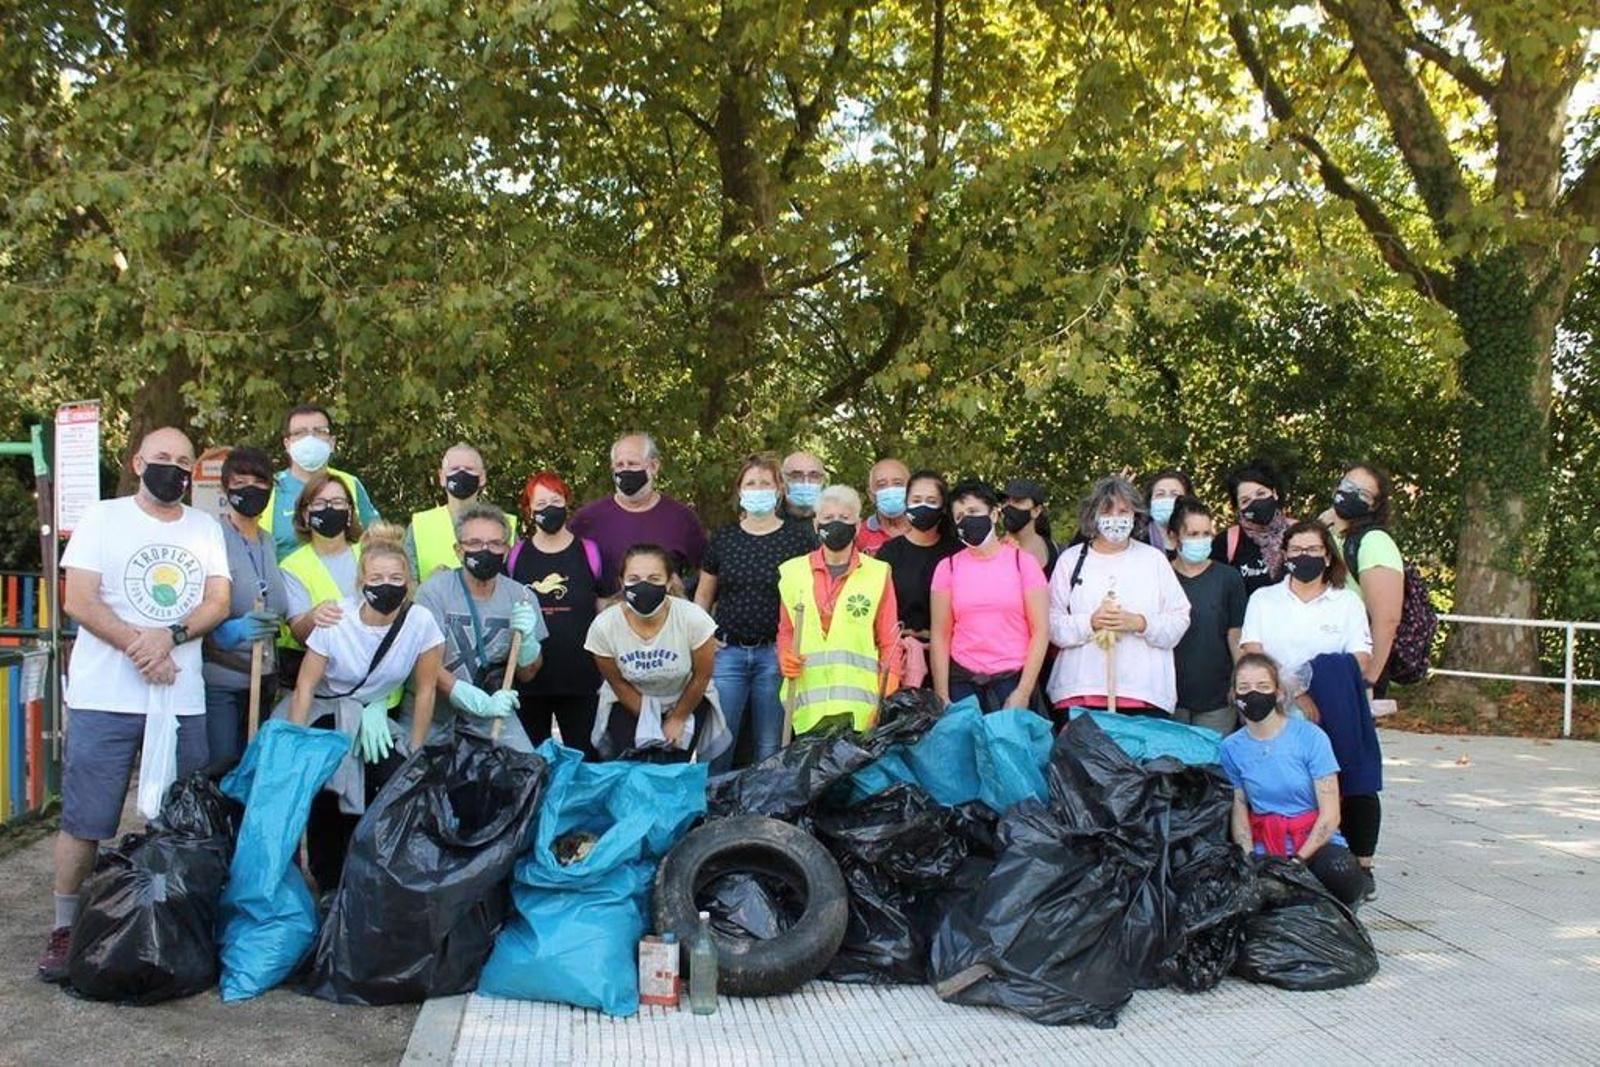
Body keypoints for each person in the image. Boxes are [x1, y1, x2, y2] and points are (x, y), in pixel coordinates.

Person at [41, 428, 231, 982]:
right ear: (137, 462)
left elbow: (216, 601)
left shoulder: (205, 528)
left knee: (183, 815)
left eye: (184, 461)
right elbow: (78, 597)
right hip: (107, 694)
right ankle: (64, 928)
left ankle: (178, 922)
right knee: (86, 816)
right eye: (162, 459)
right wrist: (140, 644)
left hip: (180, 696)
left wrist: (168, 637)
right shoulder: (105, 517)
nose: (173, 468)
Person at [285, 523, 444, 890]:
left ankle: (376, 875)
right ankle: (327, 879)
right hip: (328, 711)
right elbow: (306, 685)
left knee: (392, 783)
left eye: (395, 577)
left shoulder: (420, 622)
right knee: (331, 787)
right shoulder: (337, 619)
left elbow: (425, 689)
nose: (385, 584)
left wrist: (416, 750)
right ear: (361, 581)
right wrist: (295, 741)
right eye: (376, 577)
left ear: (409, 581)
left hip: (378, 717)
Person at [696, 454, 818, 771]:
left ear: (779, 489)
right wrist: (702, 638)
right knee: (718, 742)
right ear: (740, 491)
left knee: (770, 745)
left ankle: (763, 814)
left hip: (775, 655)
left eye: (766, 482)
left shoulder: (799, 539)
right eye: (751, 483)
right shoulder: (724, 538)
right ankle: (710, 813)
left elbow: (811, 595)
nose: (758, 488)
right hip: (728, 653)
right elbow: (704, 595)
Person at [1220, 653, 1365, 907]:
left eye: (1262, 686)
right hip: (1266, 844)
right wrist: (1248, 858)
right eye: (1244, 688)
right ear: (1234, 695)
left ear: (1278, 693)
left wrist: (1298, 861)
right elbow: (1240, 807)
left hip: (1314, 842)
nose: (1253, 694)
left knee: (1340, 871)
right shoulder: (1231, 747)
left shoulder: (1311, 737)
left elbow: (1330, 815)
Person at [1045, 475, 1191, 718]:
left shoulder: (1153, 560)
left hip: (1144, 693)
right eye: (1107, 510)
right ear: (1093, 515)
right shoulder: (1071, 560)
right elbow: (1050, 622)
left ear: (1135, 514)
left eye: (1123, 510)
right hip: (1081, 690)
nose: (1116, 518)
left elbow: (1179, 618)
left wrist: (1141, 623)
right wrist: (1089, 622)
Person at [411, 503, 548, 753]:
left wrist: (528, 642)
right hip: (435, 715)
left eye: (495, 544)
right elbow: (426, 666)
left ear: (506, 552)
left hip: (493, 718)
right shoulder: (434, 592)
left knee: (529, 775)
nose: (485, 550)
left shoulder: (522, 597)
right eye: (474, 543)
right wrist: (474, 700)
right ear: (458, 550)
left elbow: (528, 673)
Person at [584, 544, 729, 763]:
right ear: (622, 583)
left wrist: (678, 718)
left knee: (670, 768)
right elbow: (616, 681)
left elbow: (702, 675)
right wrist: (649, 720)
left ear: (669, 582)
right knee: (633, 767)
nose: (643, 586)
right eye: (634, 579)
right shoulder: (604, 626)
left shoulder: (693, 619)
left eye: (654, 579)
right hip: (628, 699)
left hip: (687, 696)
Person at [778, 486, 901, 733]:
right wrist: (785, 656)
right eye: (828, 518)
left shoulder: (878, 573)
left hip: (860, 711)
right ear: (816, 525)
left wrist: (889, 684)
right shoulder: (792, 572)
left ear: (857, 526)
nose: (836, 524)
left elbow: (889, 639)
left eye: (844, 519)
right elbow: (786, 630)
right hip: (807, 709)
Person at [202, 446, 290, 767]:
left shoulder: (268, 542)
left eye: (259, 481)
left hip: (263, 679)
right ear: (225, 488)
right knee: (223, 765)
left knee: (253, 768)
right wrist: (230, 631)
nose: (250, 489)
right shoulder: (211, 536)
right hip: (222, 682)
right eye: (239, 481)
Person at [507, 470, 605, 758]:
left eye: (555, 499)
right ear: (528, 511)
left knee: (585, 763)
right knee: (530, 766)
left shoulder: (588, 551)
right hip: (529, 681)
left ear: (566, 502)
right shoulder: (516, 555)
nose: (549, 508)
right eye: (540, 504)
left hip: (582, 679)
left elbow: (604, 607)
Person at [930, 478, 1050, 713]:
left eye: (974, 511)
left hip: (1012, 682)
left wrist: (1023, 692)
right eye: (960, 516)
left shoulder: (1023, 563)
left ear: (994, 514)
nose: (968, 520)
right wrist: (942, 695)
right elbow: (940, 635)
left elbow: (1041, 631)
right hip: (962, 684)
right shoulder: (948, 568)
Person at [1239, 519, 1372, 704]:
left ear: (1327, 557)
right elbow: (1253, 652)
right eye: (1296, 550)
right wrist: (1296, 692)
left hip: (1331, 702)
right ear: (1285, 556)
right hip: (1274, 705)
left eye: (1312, 549)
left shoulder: (1348, 602)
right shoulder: (1262, 599)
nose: (1304, 556)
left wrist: (1313, 684)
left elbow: (1361, 660)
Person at [570, 432, 708, 586]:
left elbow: (709, 571)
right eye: (619, 465)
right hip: (605, 608)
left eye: (633, 464)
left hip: (665, 608)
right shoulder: (588, 519)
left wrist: (691, 601)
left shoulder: (681, 518)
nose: (625, 470)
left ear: (654, 466)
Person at [1320, 464, 1405, 696]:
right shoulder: (1326, 535)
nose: (1350, 494)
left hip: (1355, 669)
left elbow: (1386, 619)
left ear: (1375, 505)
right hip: (1321, 665)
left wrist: (1369, 679)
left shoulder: (1374, 542)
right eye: (1348, 485)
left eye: (1363, 494)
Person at [278, 472, 364, 691]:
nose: (330, 509)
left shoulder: (370, 553)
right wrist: (313, 617)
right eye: (320, 503)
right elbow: (298, 631)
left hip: (376, 682)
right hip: (321, 685)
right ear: (306, 514)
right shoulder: (292, 566)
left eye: (338, 502)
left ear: (349, 512)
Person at [1168, 496, 1246, 733]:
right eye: (1193, 534)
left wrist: (1241, 682)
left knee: (1211, 768)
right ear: (1174, 537)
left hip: (1217, 698)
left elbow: (1236, 636)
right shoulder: (1159, 575)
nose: (1200, 540)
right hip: (1168, 696)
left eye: (1206, 534)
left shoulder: (1228, 578)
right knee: (1169, 767)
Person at [263, 404, 380, 561]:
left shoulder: (350, 484)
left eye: (319, 431)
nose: (310, 438)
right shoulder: (269, 488)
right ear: (287, 444)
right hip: (288, 584)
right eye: (300, 433)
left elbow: (379, 542)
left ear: (332, 442)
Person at [876, 470, 958, 688]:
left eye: (931, 501)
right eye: (916, 500)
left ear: (943, 507)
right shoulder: (889, 552)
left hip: (951, 661)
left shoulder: (957, 553)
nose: (923, 506)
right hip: (898, 658)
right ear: (906, 503)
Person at [406, 442, 519, 581]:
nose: (461, 473)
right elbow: (407, 584)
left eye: (469, 468)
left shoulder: (504, 525)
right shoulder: (419, 526)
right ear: (442, 477)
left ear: (482, 477)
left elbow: (517, 585)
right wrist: (430, 587)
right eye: (454, 468)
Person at [1212, 459, 1291, 596]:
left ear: (1274, 493)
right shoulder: (1226, 542)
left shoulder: (1300, 532)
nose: (1256, 503)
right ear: (1237, 508)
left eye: (1261, 494)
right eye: (1245, 500)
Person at [999, 477, 1059, 576]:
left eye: (1017, 501)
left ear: (1036, 511)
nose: (1008, 507)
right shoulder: (993, 552)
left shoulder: (1056, 552)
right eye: (1005, 501)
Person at [855, 457, 911, 556]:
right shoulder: (859, 535)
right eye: (882, 485)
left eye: (898, 483)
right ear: (871, 495)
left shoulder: (923, 529)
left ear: (911, 489)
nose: (890, 490)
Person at [1143, 469, 1193, 555]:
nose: (1167, 499)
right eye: (1160, 494)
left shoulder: (1198, 542)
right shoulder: (1136, 541)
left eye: (1175, 494)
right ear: (1150, 502)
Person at [779, 450, 828, 522]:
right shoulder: (767, 519)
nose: (806, 482)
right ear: (782, 480)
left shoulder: (836, 518)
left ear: (822, 480)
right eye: (796, 476)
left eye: (814, 476)